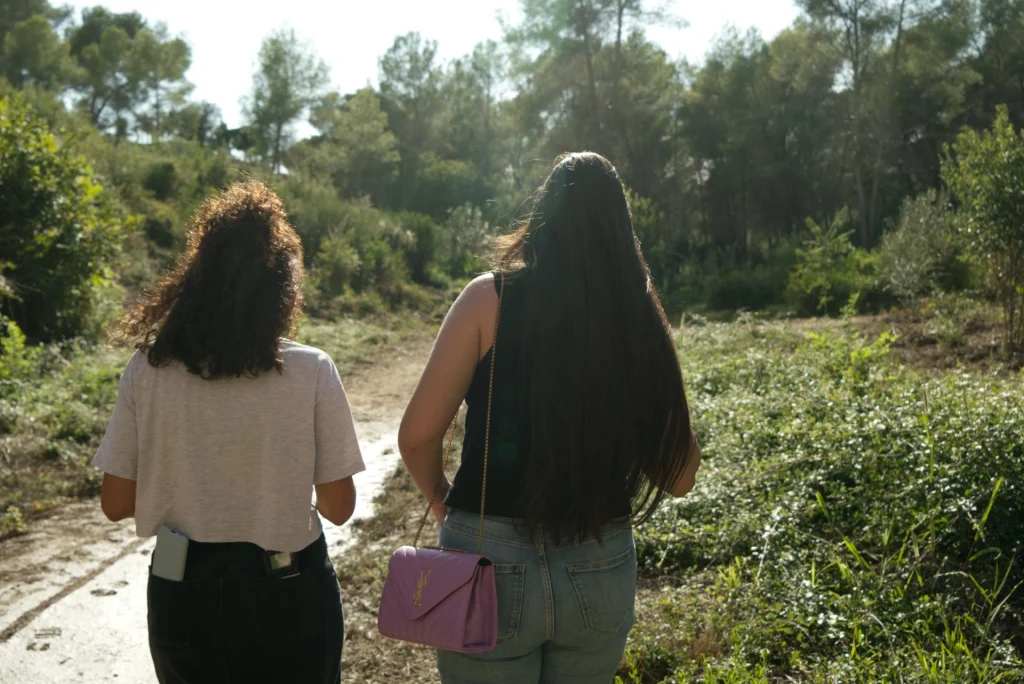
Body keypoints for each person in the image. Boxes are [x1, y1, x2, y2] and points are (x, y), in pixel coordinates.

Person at [398, 152, 702, 684]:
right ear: (621, 228)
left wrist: (441, 498)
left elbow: (418, 436)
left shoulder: (487, 300)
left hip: (484, 556)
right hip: (599, 562)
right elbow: (680, 477)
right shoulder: (637, 314)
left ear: (542, 218)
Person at [93, 181, 363, 684]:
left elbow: (115, 502)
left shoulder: (147, 370)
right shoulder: (310, 371)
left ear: (195, 278)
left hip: (179, 589)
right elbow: (339, 507)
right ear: (283, 289)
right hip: (289, 592)